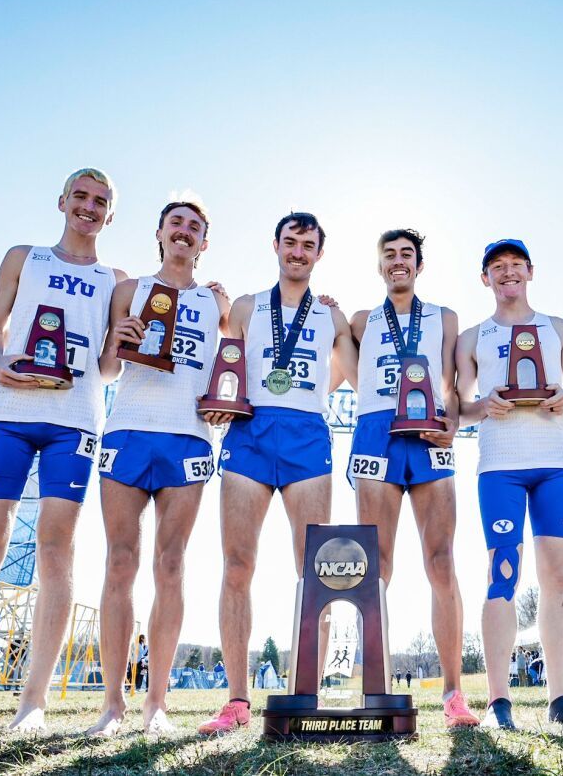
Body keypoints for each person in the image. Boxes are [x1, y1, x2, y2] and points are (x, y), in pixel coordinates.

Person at [0, 168, 124, 737]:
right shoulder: (24, 257)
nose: (88, 207)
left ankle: (32, 701)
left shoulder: (117, 277)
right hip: (8, 416)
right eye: (80, 197)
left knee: (56, 551)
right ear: (62, 201)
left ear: (111, 215)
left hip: (75, 420)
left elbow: (109, 368)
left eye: (100, 202)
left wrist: (121, 341)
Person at [198, 213, 356, 735]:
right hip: (250, 432)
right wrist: (217, 304)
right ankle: (237, 700)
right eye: (290, 242)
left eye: (308, 245)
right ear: (276, 246)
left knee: (315, 569)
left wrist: (313, 393)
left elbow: (351, 376)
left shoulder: (333, 319)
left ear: (319, 254)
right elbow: (217, 356)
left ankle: (307, 691)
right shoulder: (246, 307)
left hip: (307, 435)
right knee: (237, 563)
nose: (298, 252)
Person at [85, 200, 230, 737]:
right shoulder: (130, 290)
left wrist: (222, 402)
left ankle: (158, 704)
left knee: (171, 565)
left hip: (189, 435)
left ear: (204, 243)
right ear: (161, 233)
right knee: (120, 562)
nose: (185, 232)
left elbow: (228, 370)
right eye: (177, 224)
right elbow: (104, 370)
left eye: (196, 226)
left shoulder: (218, 301)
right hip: (127, 429)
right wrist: (118, 343)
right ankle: (113, 704)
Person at [455, 239, 563, 729]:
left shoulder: (556, 328)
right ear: (485, 278)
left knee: (557, 576)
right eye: (497, 267)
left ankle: (560, 698)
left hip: (554, 463)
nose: (507, 273)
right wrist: (483, 406)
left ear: (530, 271)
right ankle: (498, 703)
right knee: (503, 573)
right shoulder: (472, 337)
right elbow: (460, 408)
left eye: (515, 265)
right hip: (499, 467)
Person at [346, 229, 479, 728]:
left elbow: (456, 386)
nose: (398, 262)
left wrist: (456, 420)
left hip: (428, 432)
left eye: (406, 255)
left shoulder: (445, 317)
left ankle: (453, 693)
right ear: (379, 266)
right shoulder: (361, 321)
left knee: (442, 561)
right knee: (375, 564)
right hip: (376, 428)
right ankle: (374, 686)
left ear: (419, 265)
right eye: (389, 256)